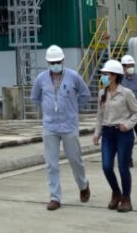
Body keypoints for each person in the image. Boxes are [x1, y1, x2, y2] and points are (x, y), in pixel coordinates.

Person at [32, 44, 92, 210]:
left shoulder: (73, 76)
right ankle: (55, 197)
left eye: (58, 61)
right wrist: (47, 109)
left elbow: (86, 94)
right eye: (52, 62)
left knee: (75, 160)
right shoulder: (41, 79)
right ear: (47, 62)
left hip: (69, 125)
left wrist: (74, 108)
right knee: (52, 164)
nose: (55, 65)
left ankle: (83, 185)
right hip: (50, 126)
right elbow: (35, 98)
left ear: (63, 60)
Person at [93, 59, 137, 213]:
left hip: (123, 134)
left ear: (114, 76)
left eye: (106, 74)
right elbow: (100, 116)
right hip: (107, 133)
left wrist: (127, 125)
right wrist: (97, 133)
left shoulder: (126, 93)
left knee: (122, 167)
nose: (103, 77)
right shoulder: (102, 94)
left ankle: (126, 198)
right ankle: (116, 192)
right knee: (106, 166)